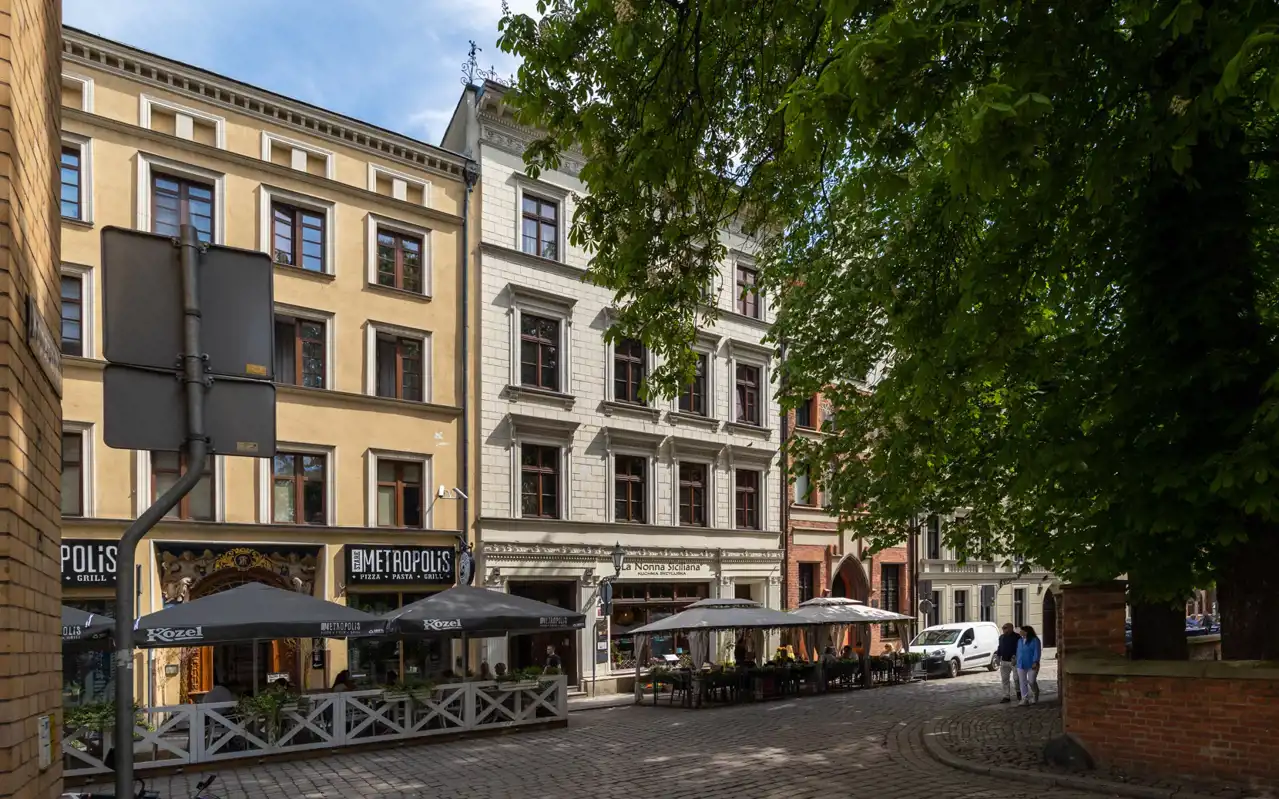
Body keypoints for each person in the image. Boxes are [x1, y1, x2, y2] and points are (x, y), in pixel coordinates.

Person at [1016, 625, 1043, 706]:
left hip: (1032, 664)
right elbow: (1018, 651)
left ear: (1027, 632)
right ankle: (1025, 698)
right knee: (1022, 682)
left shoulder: (1035, 640)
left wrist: (1036, 661)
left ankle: (1035, 693)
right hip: (1021, 663)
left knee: (1031, 681)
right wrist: (1016, 659)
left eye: (1022, 631)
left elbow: (1037, 651)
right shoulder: (1020, 640)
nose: (1020, 632)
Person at [997, 623, 1022, 703]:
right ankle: (1006, 696)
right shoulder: (1001, 637)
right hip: (1004, 661)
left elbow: (1020, 648)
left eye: (1005, 628)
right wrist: (998, 656)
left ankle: (1019, 691)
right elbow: (1000, 647)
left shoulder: (1017, 637)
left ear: (1011, 628)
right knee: (1005, 679)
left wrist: (1016, 656)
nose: (1003, 629)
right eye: (1003, 628)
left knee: (1016, 678)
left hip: (1014, 661)